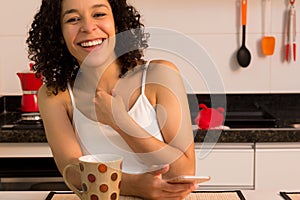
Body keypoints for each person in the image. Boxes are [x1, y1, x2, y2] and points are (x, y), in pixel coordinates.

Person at [26, 0, 196, 199]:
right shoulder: (54, 96)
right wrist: (134, 185)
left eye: (99, 14)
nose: (88, 27)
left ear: (117, 22)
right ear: (59, 34)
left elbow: (184, 172)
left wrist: (120, 121)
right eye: (73, 19)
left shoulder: (159, 75)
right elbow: (72, 172)